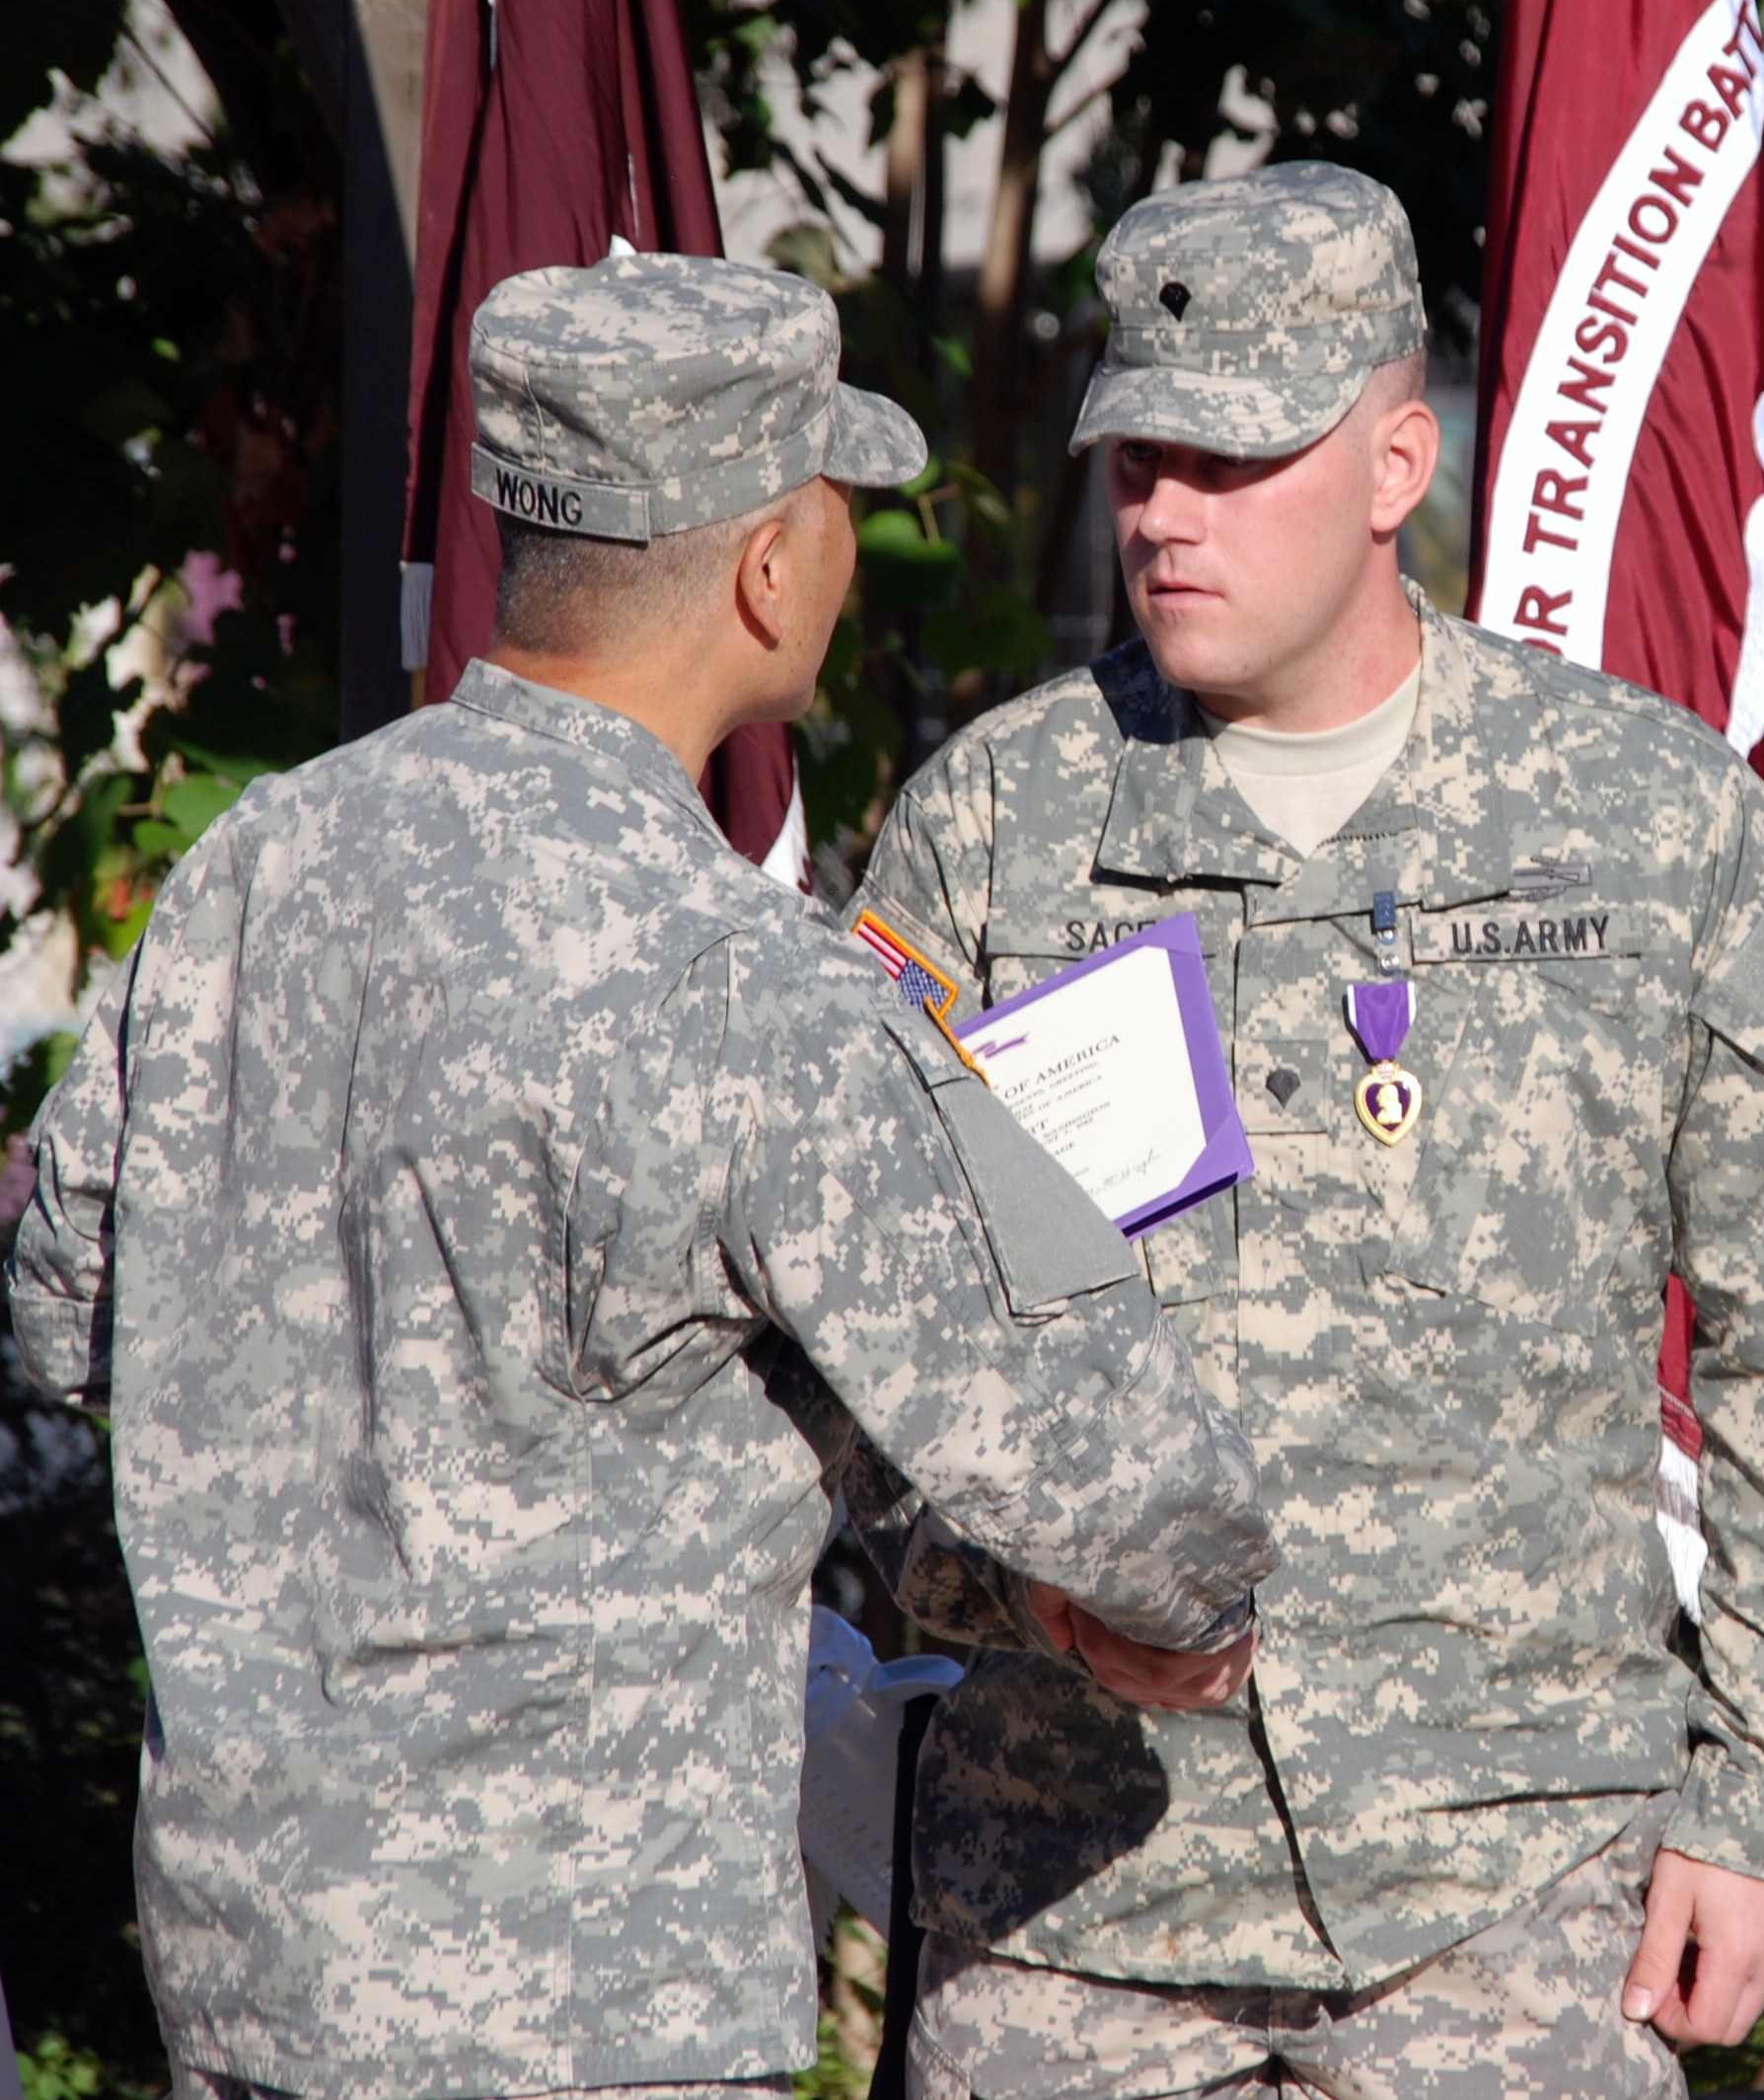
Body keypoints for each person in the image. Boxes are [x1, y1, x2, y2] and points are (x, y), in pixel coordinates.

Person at [5, 253, 1278, 2100]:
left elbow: (65, 1319)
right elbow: (1145, 1501)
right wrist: (1153, 1596)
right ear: (770, 566)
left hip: (247, 1987)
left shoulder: (251, 874)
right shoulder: (741, 983)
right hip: (590, 2022)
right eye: (833, 500)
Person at [840, 161, 1764, 2100]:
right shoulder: (991, 837)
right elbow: (849, 1349)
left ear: (1388, 462)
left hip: (1510, 1899)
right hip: (1075, 1902)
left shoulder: (1640, 822)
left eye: (1231, 460)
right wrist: (1023, 1590)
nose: (1164, 512)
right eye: (1135, 460)